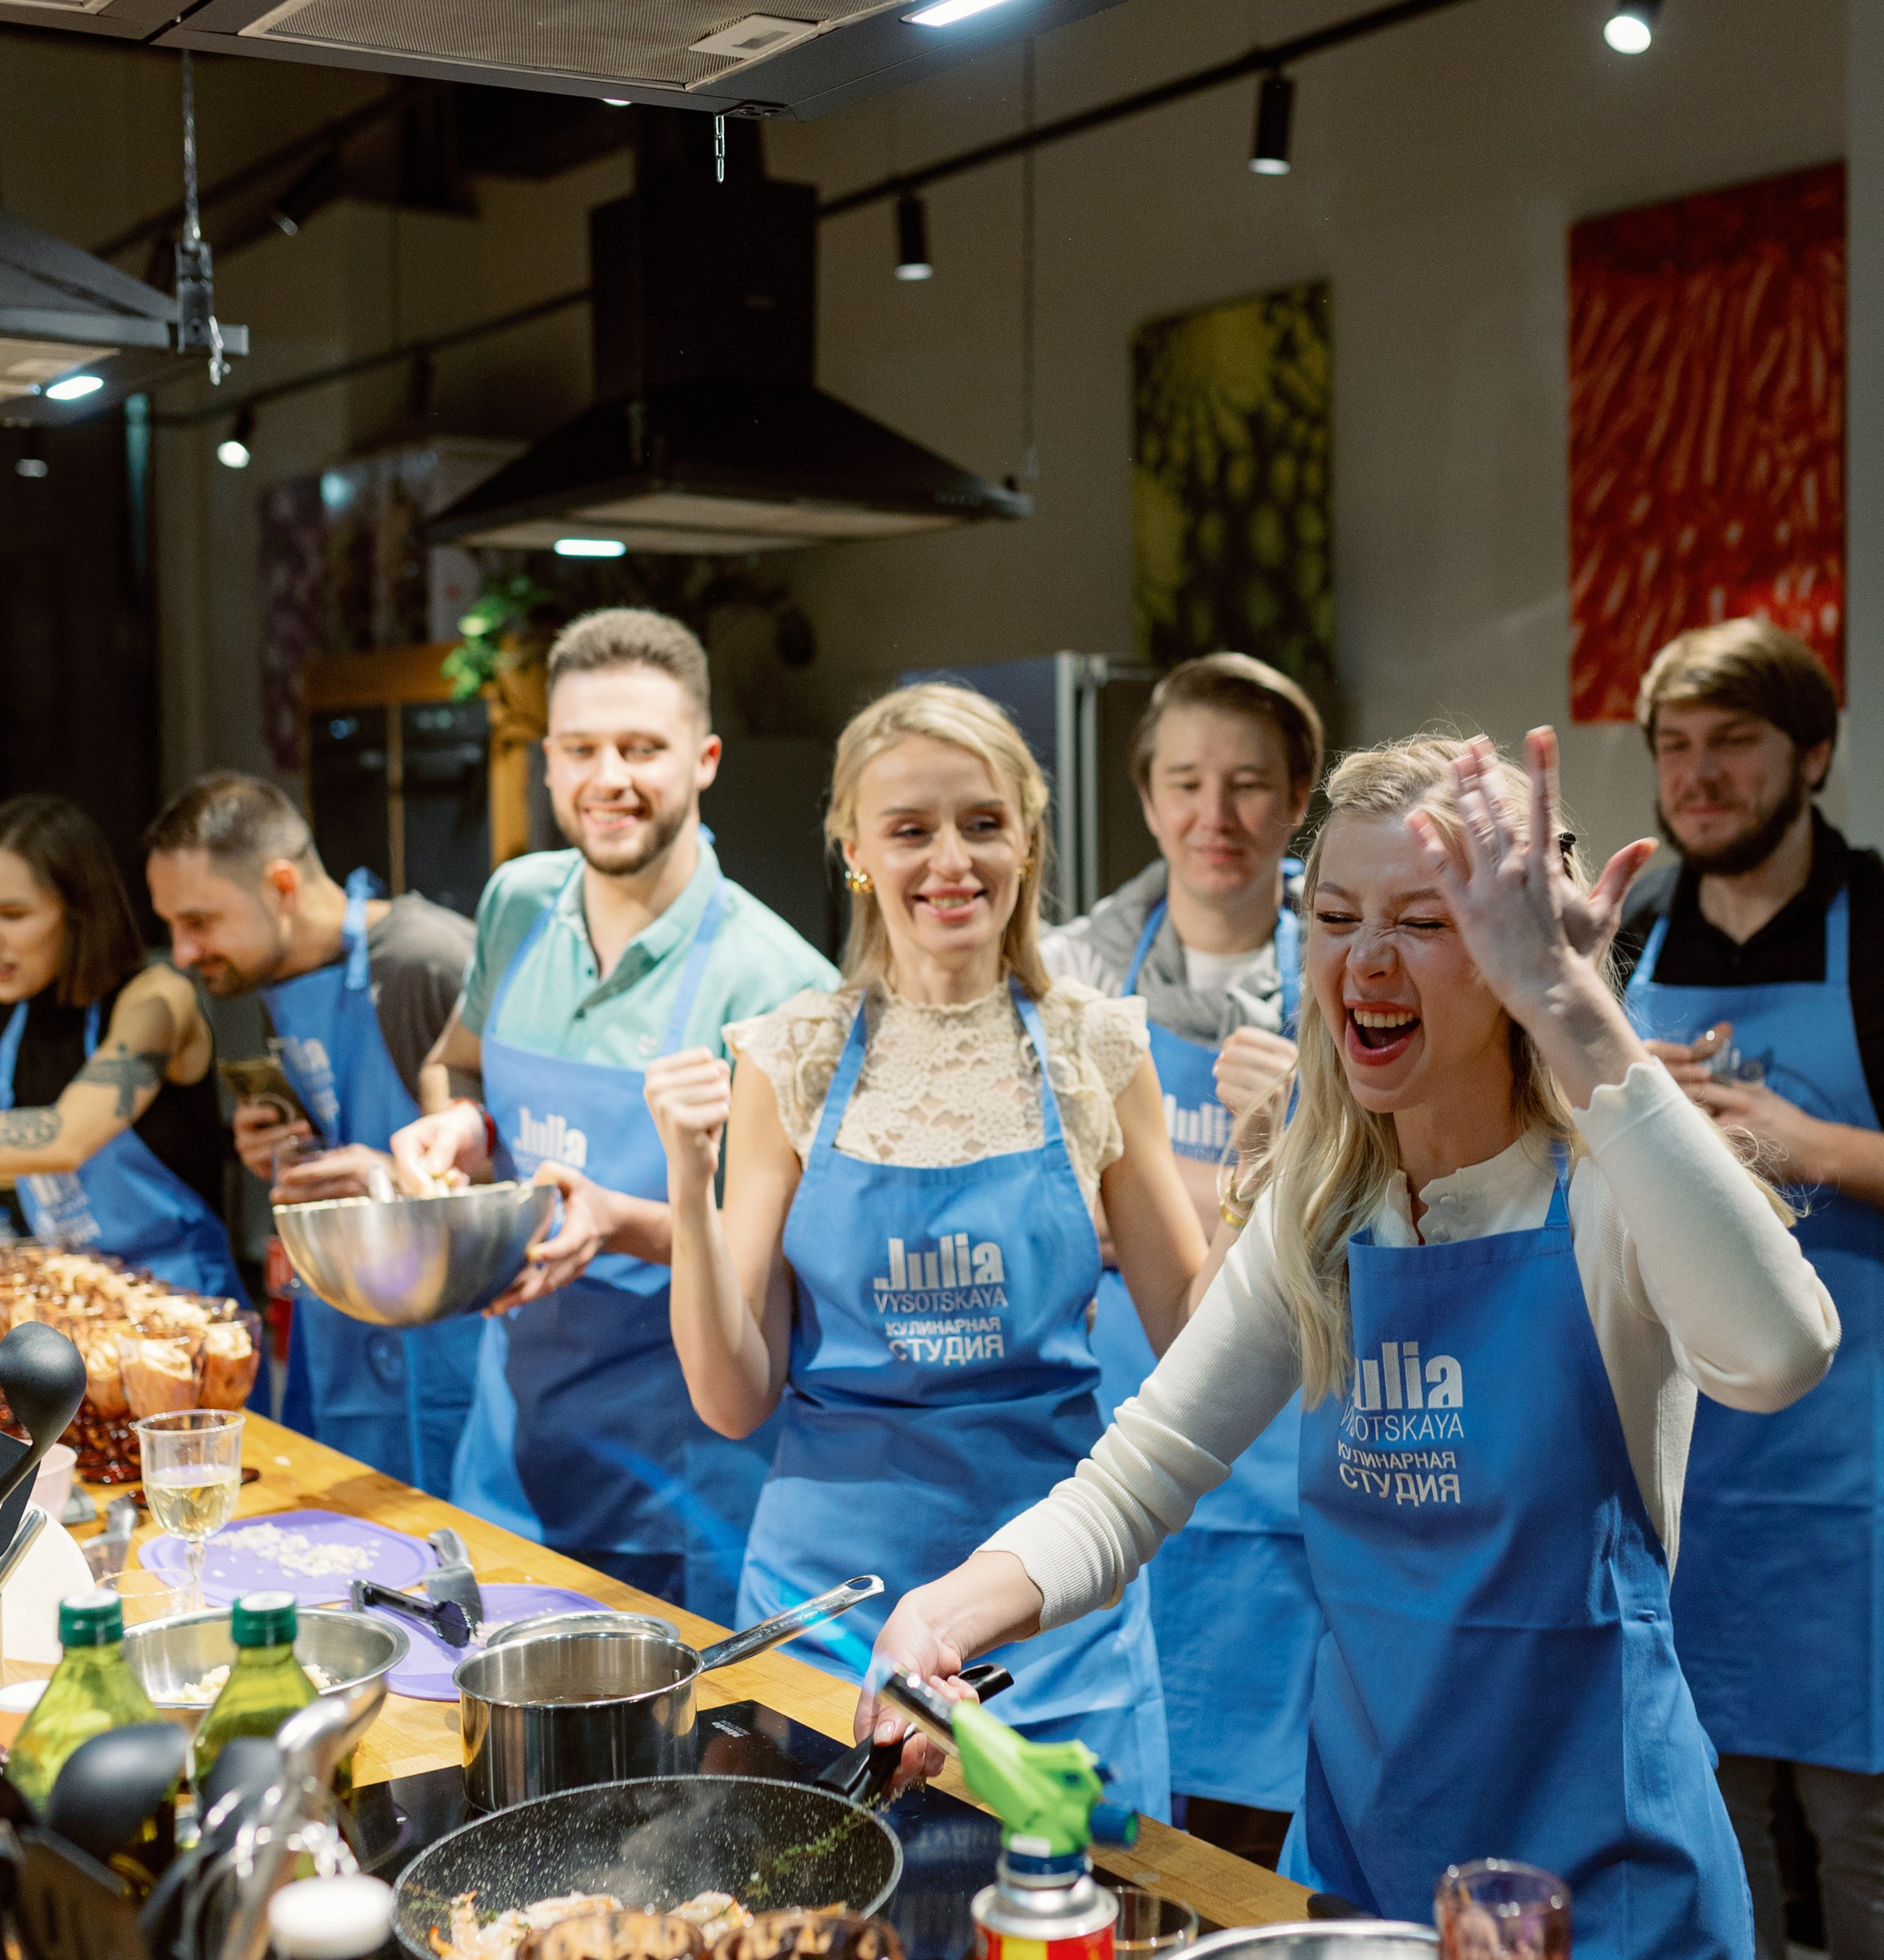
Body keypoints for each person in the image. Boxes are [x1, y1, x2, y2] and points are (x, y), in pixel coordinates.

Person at [868, 727, 1844, 1960]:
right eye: (1334, 919)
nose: (1365, 962)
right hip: (1371, 1881)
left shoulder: (1607, 1192)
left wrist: (1572, 1003)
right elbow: (1140, 1473)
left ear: (1509, 957)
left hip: (1602, 1907)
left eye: (1425, 924)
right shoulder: (1325, 1215)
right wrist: (946, 1609)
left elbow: (1781, 1351)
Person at [644, 682, 1216, 1819]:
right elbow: (731, 1397)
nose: (950, 860)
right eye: (910, 830)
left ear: (1029, 841)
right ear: (856, 850)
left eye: (982, 823)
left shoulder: (1095, 1049)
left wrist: (1254, 1190)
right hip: (831, 1618)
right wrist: (682, 1167)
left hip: (1049, 1620)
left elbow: (1194, 1348)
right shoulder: (793, 1054)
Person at [1617, 618, 1884, 1960]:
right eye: (1674, 749)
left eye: (1732, 746)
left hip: (1853, 1465)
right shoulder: (1627, 936)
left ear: (1809, 758)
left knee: (1859, 1816)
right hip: (1673, 1449)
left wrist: (1795, 1147)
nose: (1697, 779)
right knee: (1712, 1806)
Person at [392, 610, 837, 1619]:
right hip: (505, 1458)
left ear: (706, 758)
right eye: (583, 749)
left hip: (680, 1488)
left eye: (643, 749)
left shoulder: (779, 983)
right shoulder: (517, 903)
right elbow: (453, 1065)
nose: (611, 779)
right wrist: (461, 1127)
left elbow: (796, 1266)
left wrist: (617, 1221)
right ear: (548, 762)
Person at [1043, 654, 1321, 1864]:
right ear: (1148, 799)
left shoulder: (1360, 961)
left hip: (1293, 1473)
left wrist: (1153, 1202)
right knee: (1119, 1835)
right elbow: (1047, 1199)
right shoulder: (1072, 972)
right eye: (1188, 783)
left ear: (1299, 799)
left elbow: (1379, 1203)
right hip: (1111, 1449)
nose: (1219, 818)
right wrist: (1248, 1193)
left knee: (1264, 1841)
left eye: (1252, 784)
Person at [144, 775, 482, 1488]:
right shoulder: (277, 973)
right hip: (339, 1326)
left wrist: (388, 1179)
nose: (180, 953)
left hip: (446, 1348)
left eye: (199, 922)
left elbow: (509, 1166)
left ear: (282, 886)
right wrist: (273, 1140)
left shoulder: (428, 962)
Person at [0, 795, 246, 1305]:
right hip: (72, 1311)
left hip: (185, 1317)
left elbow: (65, 1138)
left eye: (13, 914)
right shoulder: (13, 1018)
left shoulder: (158, 1001)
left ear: (78, 912)